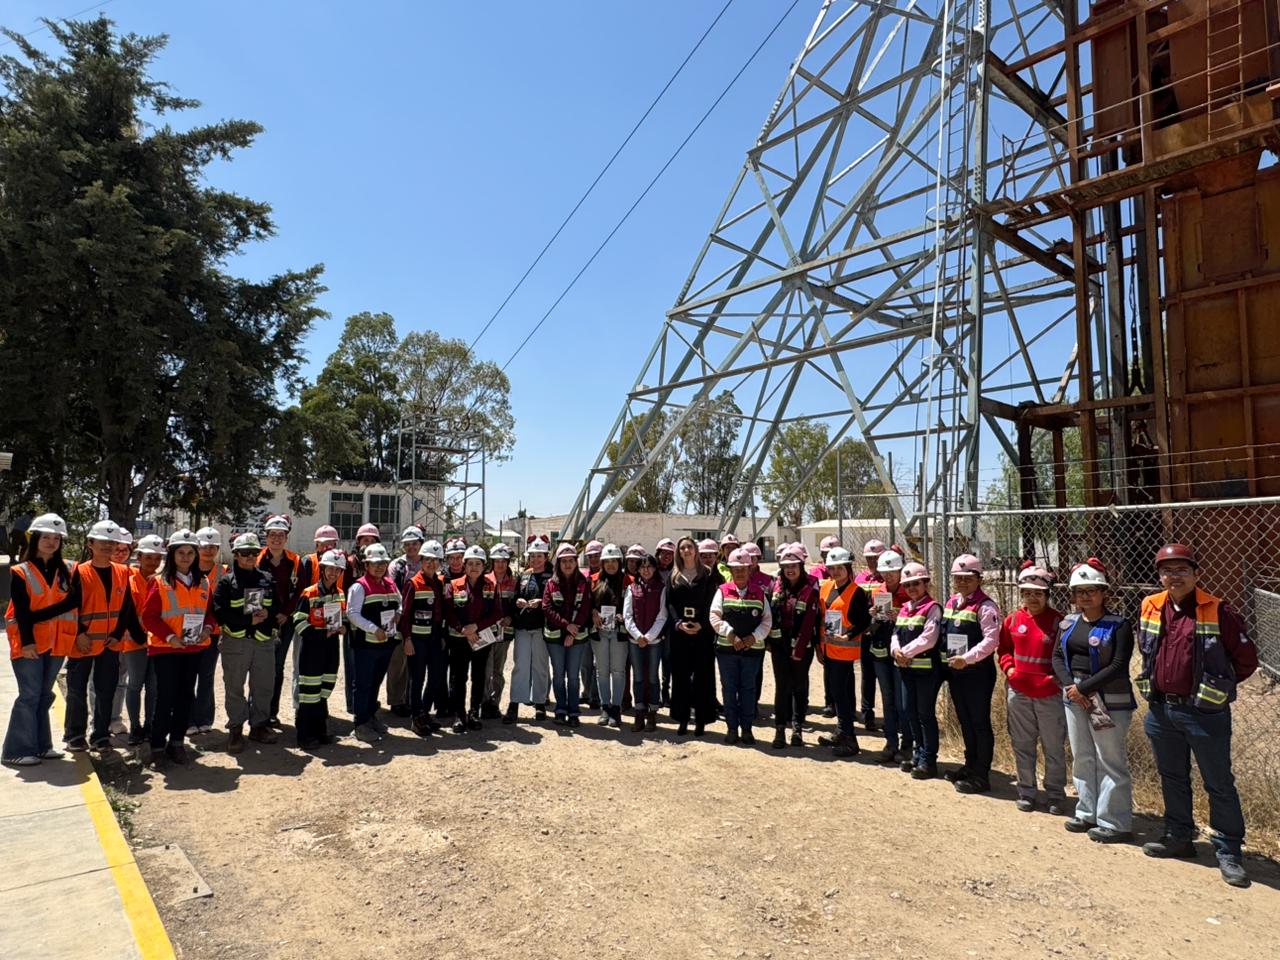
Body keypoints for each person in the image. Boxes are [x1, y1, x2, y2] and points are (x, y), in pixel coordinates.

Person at [1137, 543, 1258, 887]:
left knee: (1218, 782)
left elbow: (1246, 660)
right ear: (1159, 575)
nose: (1174, 576)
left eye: (1181, 570)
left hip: (1204, 713)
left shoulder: (1218, 610)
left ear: (1196, 574)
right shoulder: (1151, 606)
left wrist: (1218, 687)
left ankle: (1229, 851)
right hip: (1162, 709)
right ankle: (1179, 837)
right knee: (1172, 776)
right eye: (1166, 570)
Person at [1052, 558, 1135, 843]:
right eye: (1079, 591)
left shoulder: (1119, 625)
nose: (1085, 596)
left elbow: (1119, 664)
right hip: (1074, 696)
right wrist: (1070, 686)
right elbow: (1057, 658)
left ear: (1104, 592)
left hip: (1109, 700)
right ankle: (1086, 811)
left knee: (1109, 759)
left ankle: (1115, 821)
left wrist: (1083, 688)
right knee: (1082, 756)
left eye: (1092, 590)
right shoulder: (1068, 623)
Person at [2, 514, 77, 766]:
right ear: (35, 539)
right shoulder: (20, 571)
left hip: (58, 642)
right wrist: (28, 641)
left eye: (56, 538)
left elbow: (73, 604)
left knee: (44, 695)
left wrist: (46, 613)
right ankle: (15, 750)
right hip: (29, 643)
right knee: (30, 695)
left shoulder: (69, 569)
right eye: (46, 537)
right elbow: (23, 613)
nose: (51, 542)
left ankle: (42, 746)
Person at [64, 520, 142, 753]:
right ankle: (75, 736)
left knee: (106, 691)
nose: (108, 546)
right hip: (83, 643)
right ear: (91, 544)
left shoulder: (123, 571)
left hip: (110, 643)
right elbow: (70, 607)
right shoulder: (78, 572)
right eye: (103, 542)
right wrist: (79, 633)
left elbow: (127, 607)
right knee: (77, 690)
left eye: (111, 542)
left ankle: (100, 736)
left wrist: (118, 635)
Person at [141, 529, 216, 768]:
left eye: (190, 552)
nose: (185, 557)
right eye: (181, 552)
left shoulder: (203, 582)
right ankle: (156, 748)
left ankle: (177, 743)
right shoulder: (160, 582)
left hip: (193, 649)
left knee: (185, 697)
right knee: (165, 698)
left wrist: (208, 629)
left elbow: (211, 614)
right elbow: (149, 617)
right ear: (172, 555)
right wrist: (171, 636)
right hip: (167, 649)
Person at [997, 563, 1067, 813]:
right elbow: (1004, 649)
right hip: (1019, 692)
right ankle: (1027, 791)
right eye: (1027, 593)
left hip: (1049, 694)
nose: (1032, 598)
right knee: (1023, 743)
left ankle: (1055, 794)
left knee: (1053, 746)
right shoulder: (1013, 620)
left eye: (1038, 593)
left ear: (1047, 594)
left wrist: (1053, 680)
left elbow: (1065, 657)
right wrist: (1010, 670)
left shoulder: (1060, 622)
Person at [941, 553, 1001, 794]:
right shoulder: (951, 602)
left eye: (968, 578)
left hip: (977, 672)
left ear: (979, 579)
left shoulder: (986, 606)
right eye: (958, 578)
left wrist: (966, 659)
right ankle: (969, 765)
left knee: (979, 723)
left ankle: (981, 774)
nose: (963, 583)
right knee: (965, 720)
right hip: (956, 672)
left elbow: (991, 640)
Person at [212, 533, 278, 754]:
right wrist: (247, 620)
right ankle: (236, 729)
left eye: (254, 553)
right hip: (236, 642)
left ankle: (259, 726)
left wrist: (269, 613)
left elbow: (277, 606)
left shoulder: (267, 579)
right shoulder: (226, 581)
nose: (250, 557)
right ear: (236, 555)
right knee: (234, 687)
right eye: (245, 553)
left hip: (263, 642)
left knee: (263, 686)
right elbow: (219, 612)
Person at [710, 548, 771, 745]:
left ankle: (747, 730)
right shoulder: (722, 591)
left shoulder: (760, 593)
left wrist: (754, 637)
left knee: (748, 689)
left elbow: (767, 621)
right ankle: (731, 729)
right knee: (729, 690)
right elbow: (714, 616)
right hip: (727, 651)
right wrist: (731, 635)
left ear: (749, 568)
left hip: (752, 652)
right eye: (735, 569)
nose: (740, 573)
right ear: (730, 569)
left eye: (743, 568)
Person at [891, 562, 944, 778]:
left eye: (916, 583)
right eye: (908, 585)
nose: (912, 588)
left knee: (925, 715)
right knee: (910, 712)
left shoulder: (932, 608)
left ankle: (928, 761)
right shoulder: (905, 608)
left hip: (926, 672)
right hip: (906, 670)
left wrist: (905, 652)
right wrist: (896, 651)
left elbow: (929, 639)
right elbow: (895, 632)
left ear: (925, 583)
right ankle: (917, 754)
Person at [443, 544, 503, 733]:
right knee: (458, 677)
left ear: (484, 566)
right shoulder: (454, 585)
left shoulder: (491, 585)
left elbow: (497, 612)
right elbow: (448, 612)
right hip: (459, 640)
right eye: (470, 563)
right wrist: (463, 630)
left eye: (478, 563)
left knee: (478, 677)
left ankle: (473, 713)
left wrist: (476, 627)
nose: (474, 567)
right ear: (464, 565)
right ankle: (459, 715)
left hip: (481, 639)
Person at [816, 547, 870, 757]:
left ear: (848, 568)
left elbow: (864, 620)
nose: (836, 571)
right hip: (828, 650)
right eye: (832, 568)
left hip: (844, 653)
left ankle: (850, 739)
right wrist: (819, 647)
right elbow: (820, 617)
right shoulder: (826, 587)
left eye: (840, 568)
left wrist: (848, 637)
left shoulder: (857, 592)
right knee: (837, 693)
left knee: (840, 694)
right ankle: (841, 731)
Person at [345, 542, 402, 743]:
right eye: (374, 563)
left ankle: (370, 716)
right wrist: (373, 629)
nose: (379, 566)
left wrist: (398, 614)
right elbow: (352, 614)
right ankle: (360, 724)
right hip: (366, 645)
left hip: (386, 644)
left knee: (375, 682)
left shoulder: (390, 584)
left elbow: (401, 603)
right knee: (362, 684)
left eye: (383, 563)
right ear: (366, 565)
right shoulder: (359, 586)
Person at [292, 549, 348, 748]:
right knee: (309, 692)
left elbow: (345, 618)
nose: (333, 573)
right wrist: (319, 635)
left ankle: (320, 731)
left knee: (324, 689)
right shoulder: (309, 593)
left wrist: (344, 627)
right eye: (330, 569)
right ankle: (305, 736)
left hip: (331, 649)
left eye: (337, 570)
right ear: (322, 569)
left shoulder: (341, 594)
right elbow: (298, 622)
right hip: (311, 650)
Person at [863, 549, 913, 764]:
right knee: (888, 698)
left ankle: (907, 745)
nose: (889, 576)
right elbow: (872, 623)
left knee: (903, 702)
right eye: (885, 572)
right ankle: (890, 742)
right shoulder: (878, 591)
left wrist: (900, 614)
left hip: (902, 651)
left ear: (901, 570)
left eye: (893, 571)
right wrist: (873, 614)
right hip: (881, 650)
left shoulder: (909, 591)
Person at [768, 545, 819, 749]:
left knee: (799, 686)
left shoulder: (811, 587)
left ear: (801, 565)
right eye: (786, 566)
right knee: (782, 687)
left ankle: (797, 728)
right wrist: (771, 643)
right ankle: (780, 728)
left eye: (794, 565)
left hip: (802, 646)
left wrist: (799, 649)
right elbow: (770, 616)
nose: (790, 569)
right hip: (780, 645)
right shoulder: (775, 586)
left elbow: (810, 620)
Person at [667, 537, 719, 737]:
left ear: (695, 550)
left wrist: (703, 624)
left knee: (703, 677)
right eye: (683, 548)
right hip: (680, 634)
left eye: (689, 547)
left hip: (702, 633)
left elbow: (712, 603)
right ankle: (682, 719)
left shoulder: (707, 574)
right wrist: (678, 623)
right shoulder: (673, 576)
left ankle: (701, 720)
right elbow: (670, 604)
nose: (686, 550)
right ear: (679, 553)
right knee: (680, 677)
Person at [258, 514, 302, 729]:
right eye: (272, 534)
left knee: (277, 667)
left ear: (286, 538)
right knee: (258, 668)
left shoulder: (295, 561)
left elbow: (300, 591)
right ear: (266, 537)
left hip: (284, 621)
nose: (276, 538)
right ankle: (257, 712)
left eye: (281, 535)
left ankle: (271, 713)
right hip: (260, 621)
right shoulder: (256, 559)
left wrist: (286, 613)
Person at [120, 534, 163, 749]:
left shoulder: (161, 581)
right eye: (149, 558)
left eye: (157, 559)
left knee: (153, 686)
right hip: (134, 643)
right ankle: (135, 727)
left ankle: (149, 725)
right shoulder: (129, 580)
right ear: (139, 557)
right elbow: (127, 612)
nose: (153, 563)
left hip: (156, 642)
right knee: (135, 685)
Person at [544, 543, 592, 727]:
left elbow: (585, 609)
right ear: (558, 563)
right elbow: (547, 608)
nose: (567, 564)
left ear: (576, 562)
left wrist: (574, 629)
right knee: (558, 674)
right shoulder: (551, 583)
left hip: (577, 637)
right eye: (563, 561)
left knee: (573, 675)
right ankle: (560, 709)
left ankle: (573, 711)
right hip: (556, 637)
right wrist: (567, 626)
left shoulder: (583, 582)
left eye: (571, 560)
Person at [401, 540, 446, 737]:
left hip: (435, 638)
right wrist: (407, 639)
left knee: (435, 677)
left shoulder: (440, 582)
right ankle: (416, 717)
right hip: (417, 639)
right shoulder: (413, 583)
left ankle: (425, 711)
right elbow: (405, 615)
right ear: (421, 560)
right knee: (417, 678)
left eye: (436, 560)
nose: (431, 564)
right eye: (428, 559)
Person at [507, 537, 554, 723]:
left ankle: (540, 702)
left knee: (540, 666)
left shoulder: (552, 577)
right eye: (532, 556)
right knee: (520, 666)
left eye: (539, 556)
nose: (535, 560)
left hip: (542, 629)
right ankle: (515, 703)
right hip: (523, 628)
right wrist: (517, 602)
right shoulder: (523, 576)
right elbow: (516, 596)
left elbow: (556, 601)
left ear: (546, 556)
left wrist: (542, 603)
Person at [385, 525, 426, 719]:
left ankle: (411, 698)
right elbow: (393, 590)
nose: (410, 548)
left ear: (421, 544)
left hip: (421, 621)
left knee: (416, 662)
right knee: (398, 663)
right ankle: (396, 700)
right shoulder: (397, 565)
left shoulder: (427, 563)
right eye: (407, 544)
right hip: (400, 618)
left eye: (414, 544)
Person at [624, 552, 667, 733]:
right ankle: (639, 711)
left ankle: (652, 713)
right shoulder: (632, 588)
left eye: (649, 566)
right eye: (642, 567)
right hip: (635, 641)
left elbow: (662, 615)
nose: (646, 570)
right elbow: (627, 615)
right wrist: (637, 636)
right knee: (639, 677)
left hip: (654, 641)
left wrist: (648, 637)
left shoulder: (661, 587)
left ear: (655, 568)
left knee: (652, 677)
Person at [343, 522, 382, 714]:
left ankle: (367, 702)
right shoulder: (350, 563)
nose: (367, 543)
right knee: (353, 666)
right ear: (358, 543)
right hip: (354, 622)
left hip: (373, 623)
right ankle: (353, 704)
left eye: (372, 540)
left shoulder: (381, 564)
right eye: (364, 539)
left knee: (369, 668)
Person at [589, 544, 630, 727]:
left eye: (614, 561)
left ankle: (616, 708)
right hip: (599, 632)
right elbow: (584, 603)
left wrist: (625, 617)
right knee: (602, 671)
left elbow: (634, 606)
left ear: (619, 562)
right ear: (602, 563)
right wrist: (593, 613)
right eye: (608, 561)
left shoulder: (629, 581)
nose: (611, 565)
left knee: (619, 671)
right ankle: (605, 707)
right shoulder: (593, 580)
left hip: (619, 633)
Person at [189, 526, 224, 736]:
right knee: (188, 675)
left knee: (207, 675)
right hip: (188, 631)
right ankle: (188, 719)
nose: (209, 550)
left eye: (213, 546)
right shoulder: (186, 570)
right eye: (204, 546)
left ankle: (204, 718)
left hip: (213, 631)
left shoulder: (224, 572)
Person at [482, 543, 517, 719]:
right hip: (487, 633)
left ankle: (494, 703)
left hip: (505, 633)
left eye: (504, 561)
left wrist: (511, 618)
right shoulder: (485, 580)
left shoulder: (514, 583)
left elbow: (516, 607)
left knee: (498, 671)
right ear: (492, 562)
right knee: (485, 670)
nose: (501, 564)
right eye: (497, 561)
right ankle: (484, 702)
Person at [855, 539, 887, 731]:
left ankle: (892, 716)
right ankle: (867, 714)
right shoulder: (860, 578)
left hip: (883, 633)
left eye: (876, 558)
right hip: (865, 634)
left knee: (885, 677)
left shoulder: (889, 579)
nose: (872, 562)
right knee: (867, 676)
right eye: (869, 558)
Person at [654, 537, 677, 707]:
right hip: (653, 621)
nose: (667, 557)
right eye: (664, 553)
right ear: (658, 554)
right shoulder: (651, 571)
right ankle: (654, 693)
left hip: (670, 621)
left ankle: (666, 691)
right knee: (654, 658)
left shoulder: (677, 572)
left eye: (670, 554)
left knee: (668, 657)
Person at [297, 524, 343, 590]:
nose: (325, 548)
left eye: (329, 543)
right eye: (322, 544)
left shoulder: (341, 563)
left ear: (334, 545)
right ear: (317, 545)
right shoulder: (308, 561)